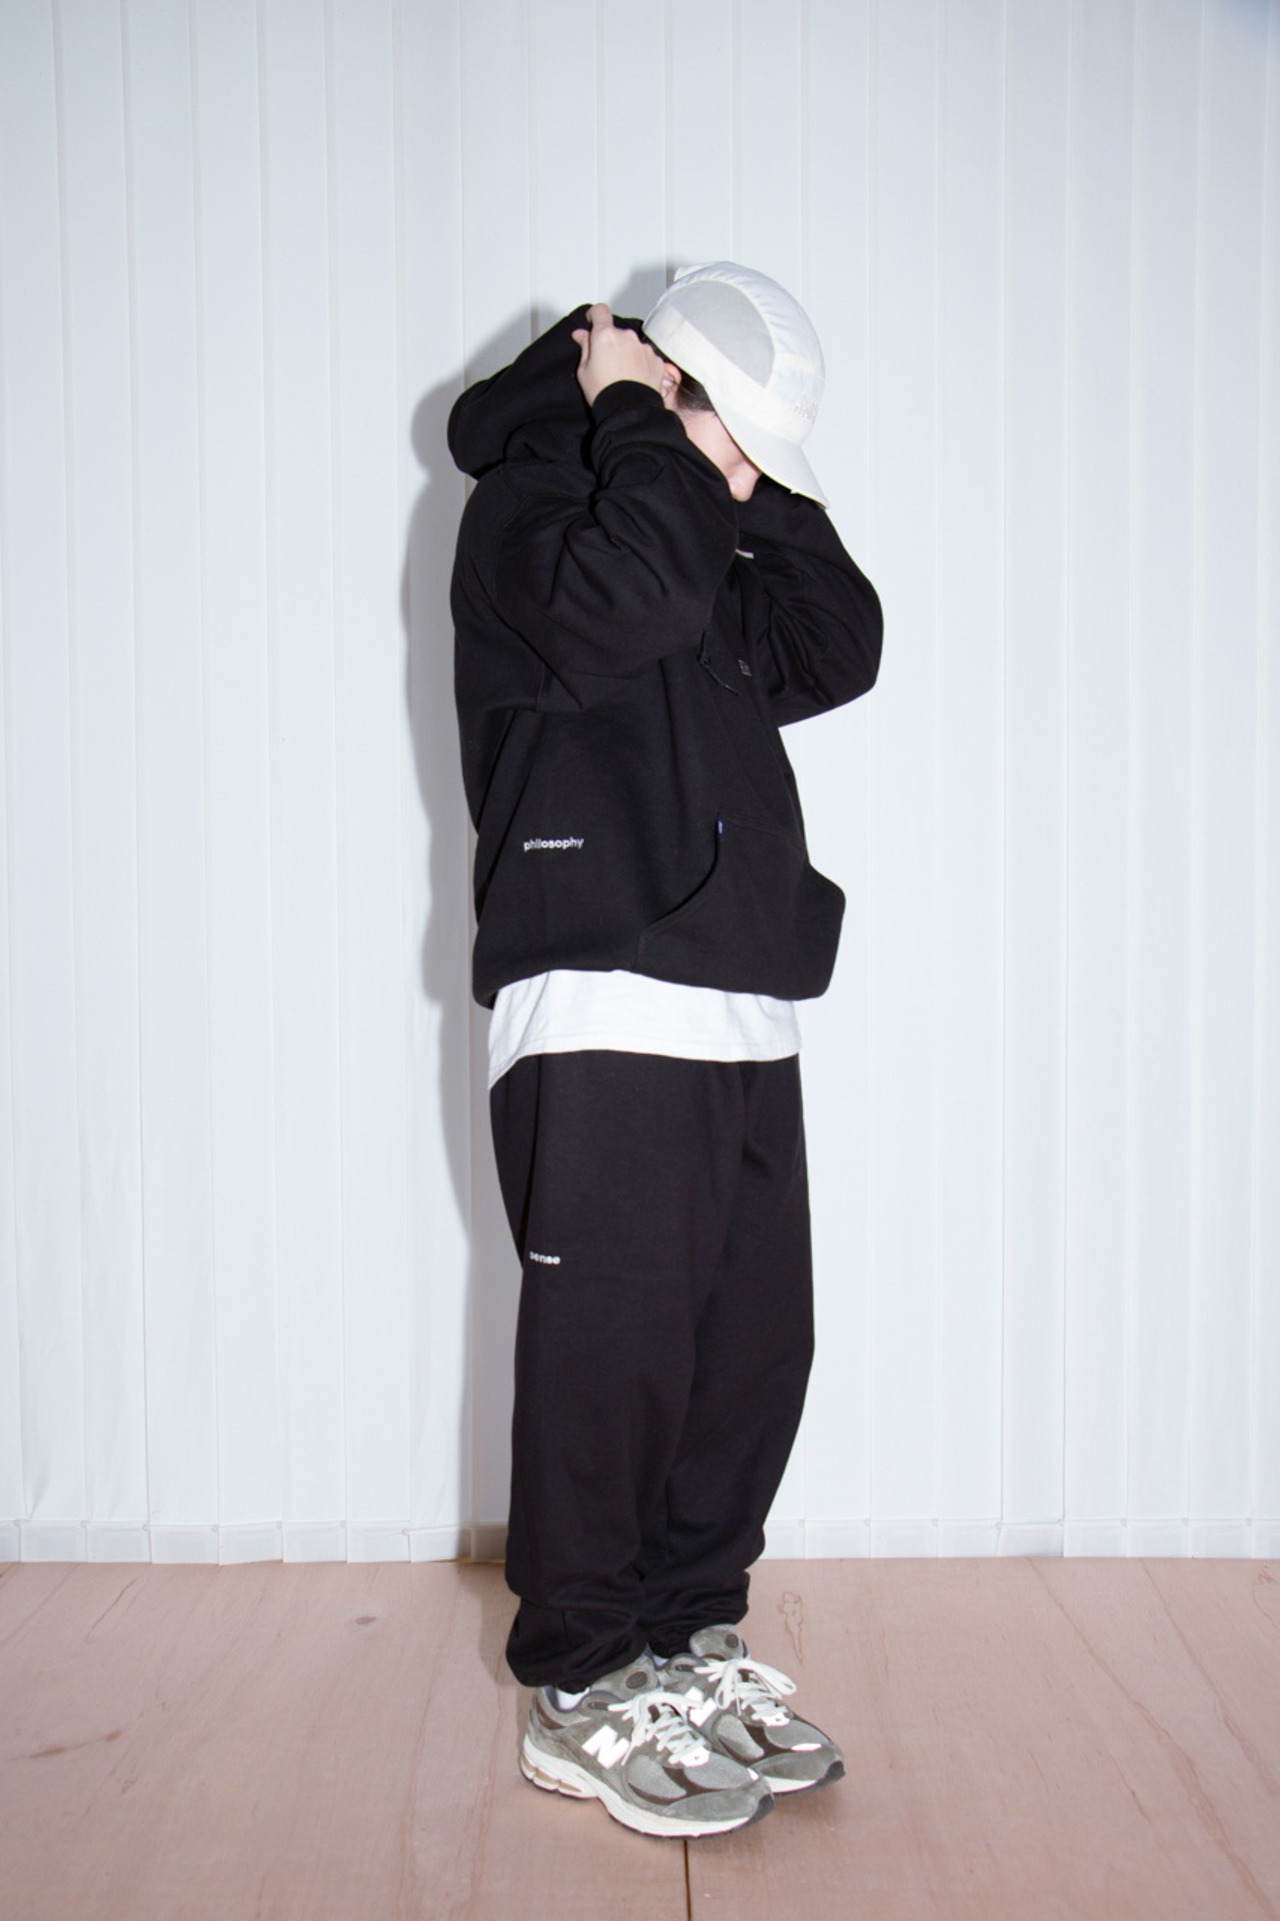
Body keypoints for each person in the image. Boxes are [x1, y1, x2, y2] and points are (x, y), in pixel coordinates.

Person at [448, 263, 882, 1838]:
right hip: (603, 991)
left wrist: (737, 470)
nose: (750, 481)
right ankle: (581, 1679)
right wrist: (632, 414)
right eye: (734, 440)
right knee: (611, 1363)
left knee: (752, 1355)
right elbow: (624, 603)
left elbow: (841, 640)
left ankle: (686, 1638)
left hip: (740, 1001)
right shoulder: (539, 516)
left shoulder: (696, 529)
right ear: (645, 398)